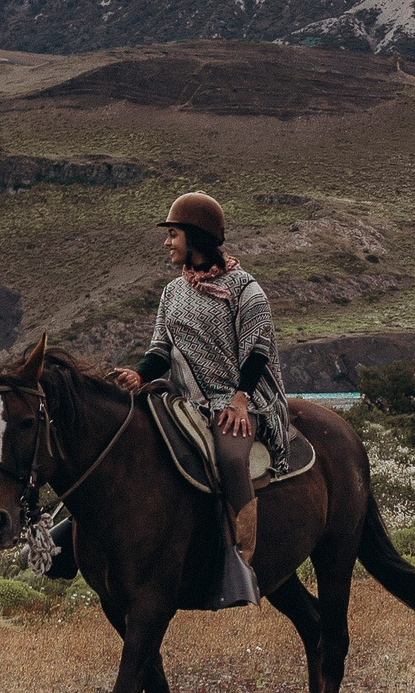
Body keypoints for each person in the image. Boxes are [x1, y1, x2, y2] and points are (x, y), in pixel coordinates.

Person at [108, 191, 290, 566]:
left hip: (237, 400)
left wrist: (241, 401)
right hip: (184, 399)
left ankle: (242, 560)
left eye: (173, 234)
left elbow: (258, 352)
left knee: (229, 457)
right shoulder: (172, 292)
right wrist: (139, 375)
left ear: (196, 236)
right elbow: (160, 350)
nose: (167, 242)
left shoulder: (245, 289)